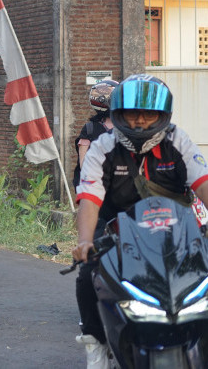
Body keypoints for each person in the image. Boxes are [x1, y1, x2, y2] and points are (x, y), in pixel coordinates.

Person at [73, 74, 208, 368]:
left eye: (148, 114)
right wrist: (85, 241)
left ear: (162, 116)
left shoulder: (178, 140)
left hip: (175, 226)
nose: (139, 122)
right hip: (115, 224)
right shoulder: (102, 147)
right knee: (87, 275)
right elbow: (90, 200)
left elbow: (203, 183)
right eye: (132, 113)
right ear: (118, 114)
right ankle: (96, 343)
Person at [72, 80, 118, 187]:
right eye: (116, 98)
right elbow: (84, 164)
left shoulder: (125, 126)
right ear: (104, 101)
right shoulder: (90, 129)